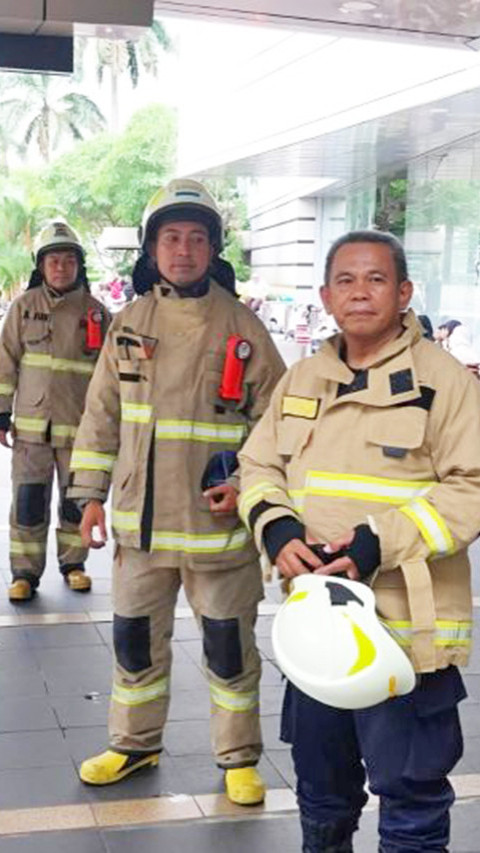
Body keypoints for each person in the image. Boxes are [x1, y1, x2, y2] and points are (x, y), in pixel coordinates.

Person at [238, 230, 480, 851]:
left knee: (411, 796)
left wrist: (381, 542)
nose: (359, 292)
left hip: (406, 630)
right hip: (319, 628)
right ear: (325, 295)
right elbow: (259, 466)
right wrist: (277, 525)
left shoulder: (444, 382)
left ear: (403, 293)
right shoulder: (303, 378)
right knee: (323, 793)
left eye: (375, 279)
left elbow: (472, 484)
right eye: (345, 280)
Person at [68, 178, 286, 804]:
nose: (184, 250)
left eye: (196, 238)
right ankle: (133, 745)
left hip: (220, 529)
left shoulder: (245, 327)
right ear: (152, 248)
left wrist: (246, 483)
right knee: (134, 643)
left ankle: (239, 757)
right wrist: (88, 497)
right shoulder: (129, 325)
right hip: (139, 525)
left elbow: (279, 425)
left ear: (213, 249)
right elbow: (100, 416)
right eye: (171, 238)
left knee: (227, 647)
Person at [0, 220, 110, 601]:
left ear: (79, 266)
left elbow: (108, 378)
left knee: (74, 504)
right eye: (53, 261)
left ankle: (73, 564)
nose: (61, 268)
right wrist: (0, 413)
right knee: (28, 504)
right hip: (30, 434)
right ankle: (24, 574)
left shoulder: (97, 314)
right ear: (41, 266)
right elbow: (5, 363)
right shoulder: (23, 308)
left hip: (80, 432)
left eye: (68, 261)